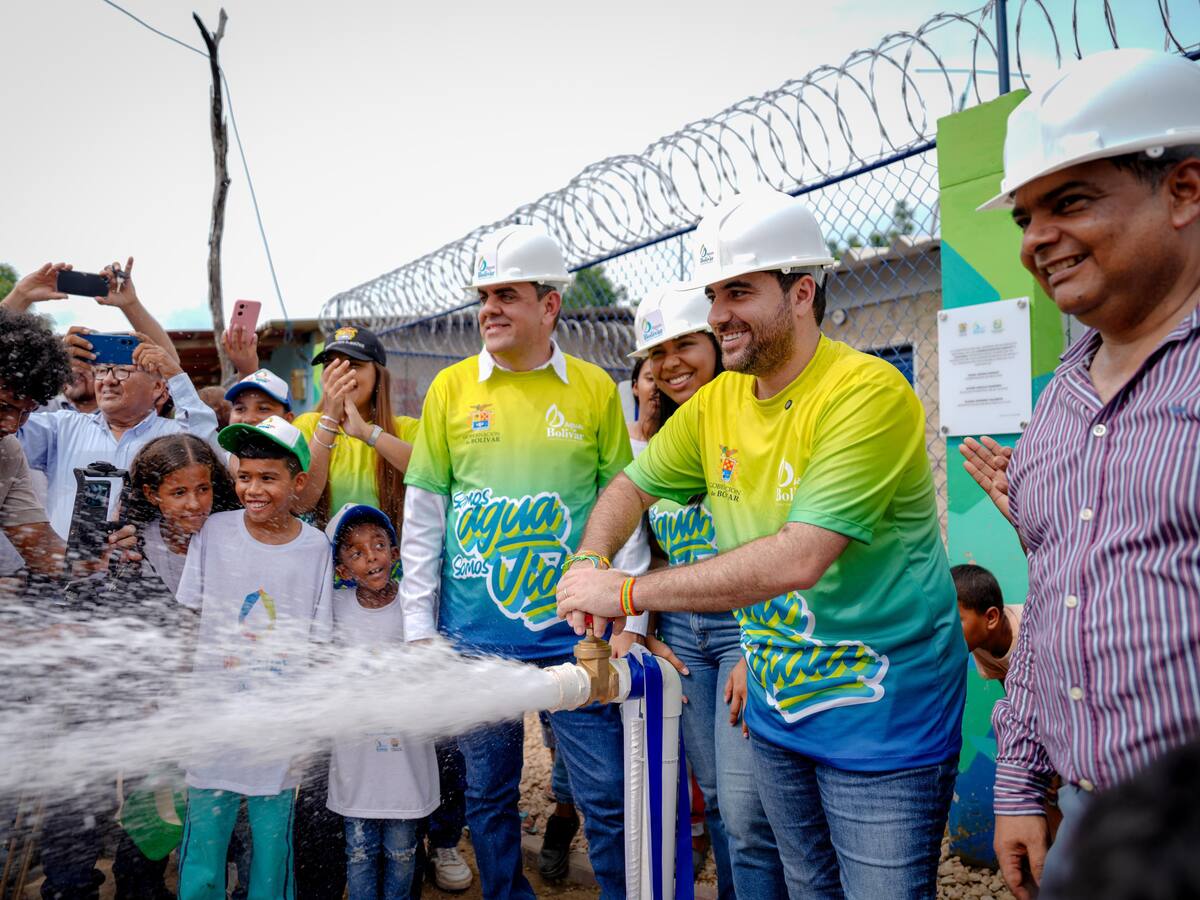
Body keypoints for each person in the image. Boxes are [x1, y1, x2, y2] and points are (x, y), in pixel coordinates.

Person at [557, 187, 965, 899]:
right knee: (806, 886)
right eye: (715, 294)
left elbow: (801, 555)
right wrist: (592, 559)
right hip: (779, 713)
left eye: (739, 291)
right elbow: (630, 487)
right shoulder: (717, 404)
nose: (718, 314)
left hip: (883, 718)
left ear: (801, 291)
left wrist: (623, 592)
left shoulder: (865, 393)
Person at [956, 48, 1200, 900]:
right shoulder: (1059, 404)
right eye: (1025, 216)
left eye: (1071, 202)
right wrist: (1021, 782)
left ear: (1185, 190)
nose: (1036, 241)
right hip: (1093, 825)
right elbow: (1055, 606)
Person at [401, 223, 647, 900]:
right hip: (475, 640)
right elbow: (423, 521)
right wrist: (419, 633)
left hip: (580, 638)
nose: (489, 309)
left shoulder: (596, 390)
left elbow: (621, 506)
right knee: (488, 795)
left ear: (550, 305)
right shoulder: (450, 390)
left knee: (605, 795)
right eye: (484, 296)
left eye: (506, 294)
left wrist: (629, 614)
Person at [626, 282, 786, 899]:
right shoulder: (665, 440)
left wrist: (755, 644)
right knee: (718, 799)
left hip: (746, 631)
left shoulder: (754, 420)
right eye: (656, 353)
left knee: (749, 812)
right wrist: (650, 629)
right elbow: (653, 547)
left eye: (686, 344)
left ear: (717, 342)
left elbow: (779, 543)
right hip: (684, 639)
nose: (670, 364)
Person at [175, 416, 333, 900]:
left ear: (298, 482)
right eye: (244, 477)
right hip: (213, 723)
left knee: (271, 851)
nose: (253, 489)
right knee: (203, 852)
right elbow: (188, 622)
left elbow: (319, 642)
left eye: (269, 477)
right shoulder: (215, 532)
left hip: (277, 730)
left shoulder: (315, 548)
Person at [9, 261, 217, 539]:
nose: (108, 380)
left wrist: (175, 374)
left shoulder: (175, 438)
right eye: (101, 371)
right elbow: (7, 416)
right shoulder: (62, 428)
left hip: (152, 575)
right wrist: (21, 300)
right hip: (66, 574)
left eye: (122, 371)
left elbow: (209, 445)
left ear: (158, 388)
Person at [324, 503, 439, 900]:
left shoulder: (416, 605)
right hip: (357, 765)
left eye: (378, 544)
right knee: (358, 852)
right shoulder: (335, 610)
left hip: (406, 764)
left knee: (404, 851)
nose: (371, 555)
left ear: (396, 552)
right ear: (341, 570)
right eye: (355, 552)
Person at [294, 326, 415, 529]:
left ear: (378, 375)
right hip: (324, 557)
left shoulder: (406, 429)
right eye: (331, 365)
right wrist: (330, 419)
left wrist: (368, 433)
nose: (341, 374)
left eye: (353, 365)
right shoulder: (307, 425)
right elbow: (302, 501)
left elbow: (429, 475)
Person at [0, 306, 73, 577]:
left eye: (26, 412)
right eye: (3, 406)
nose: (12, 426)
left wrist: (98, 556)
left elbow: (43, 550)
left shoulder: (7, 452)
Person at [127, 433, 240, 596]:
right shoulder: (140, 542)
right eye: (179, 493)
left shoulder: (232, 535)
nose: (194, 504)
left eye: (203, 489)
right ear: (151, 494)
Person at [952, 564, 1022, 685]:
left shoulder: (1032, 632)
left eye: (956, 621)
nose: (947, 631)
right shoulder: (979, 641)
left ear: (991, 617)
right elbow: (1012, 693)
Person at [626, 355, 658, 444]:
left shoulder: (683, 441)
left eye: (664, 379)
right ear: (635, 387)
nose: (657, 386)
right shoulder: (616, 435)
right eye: (650, 379)